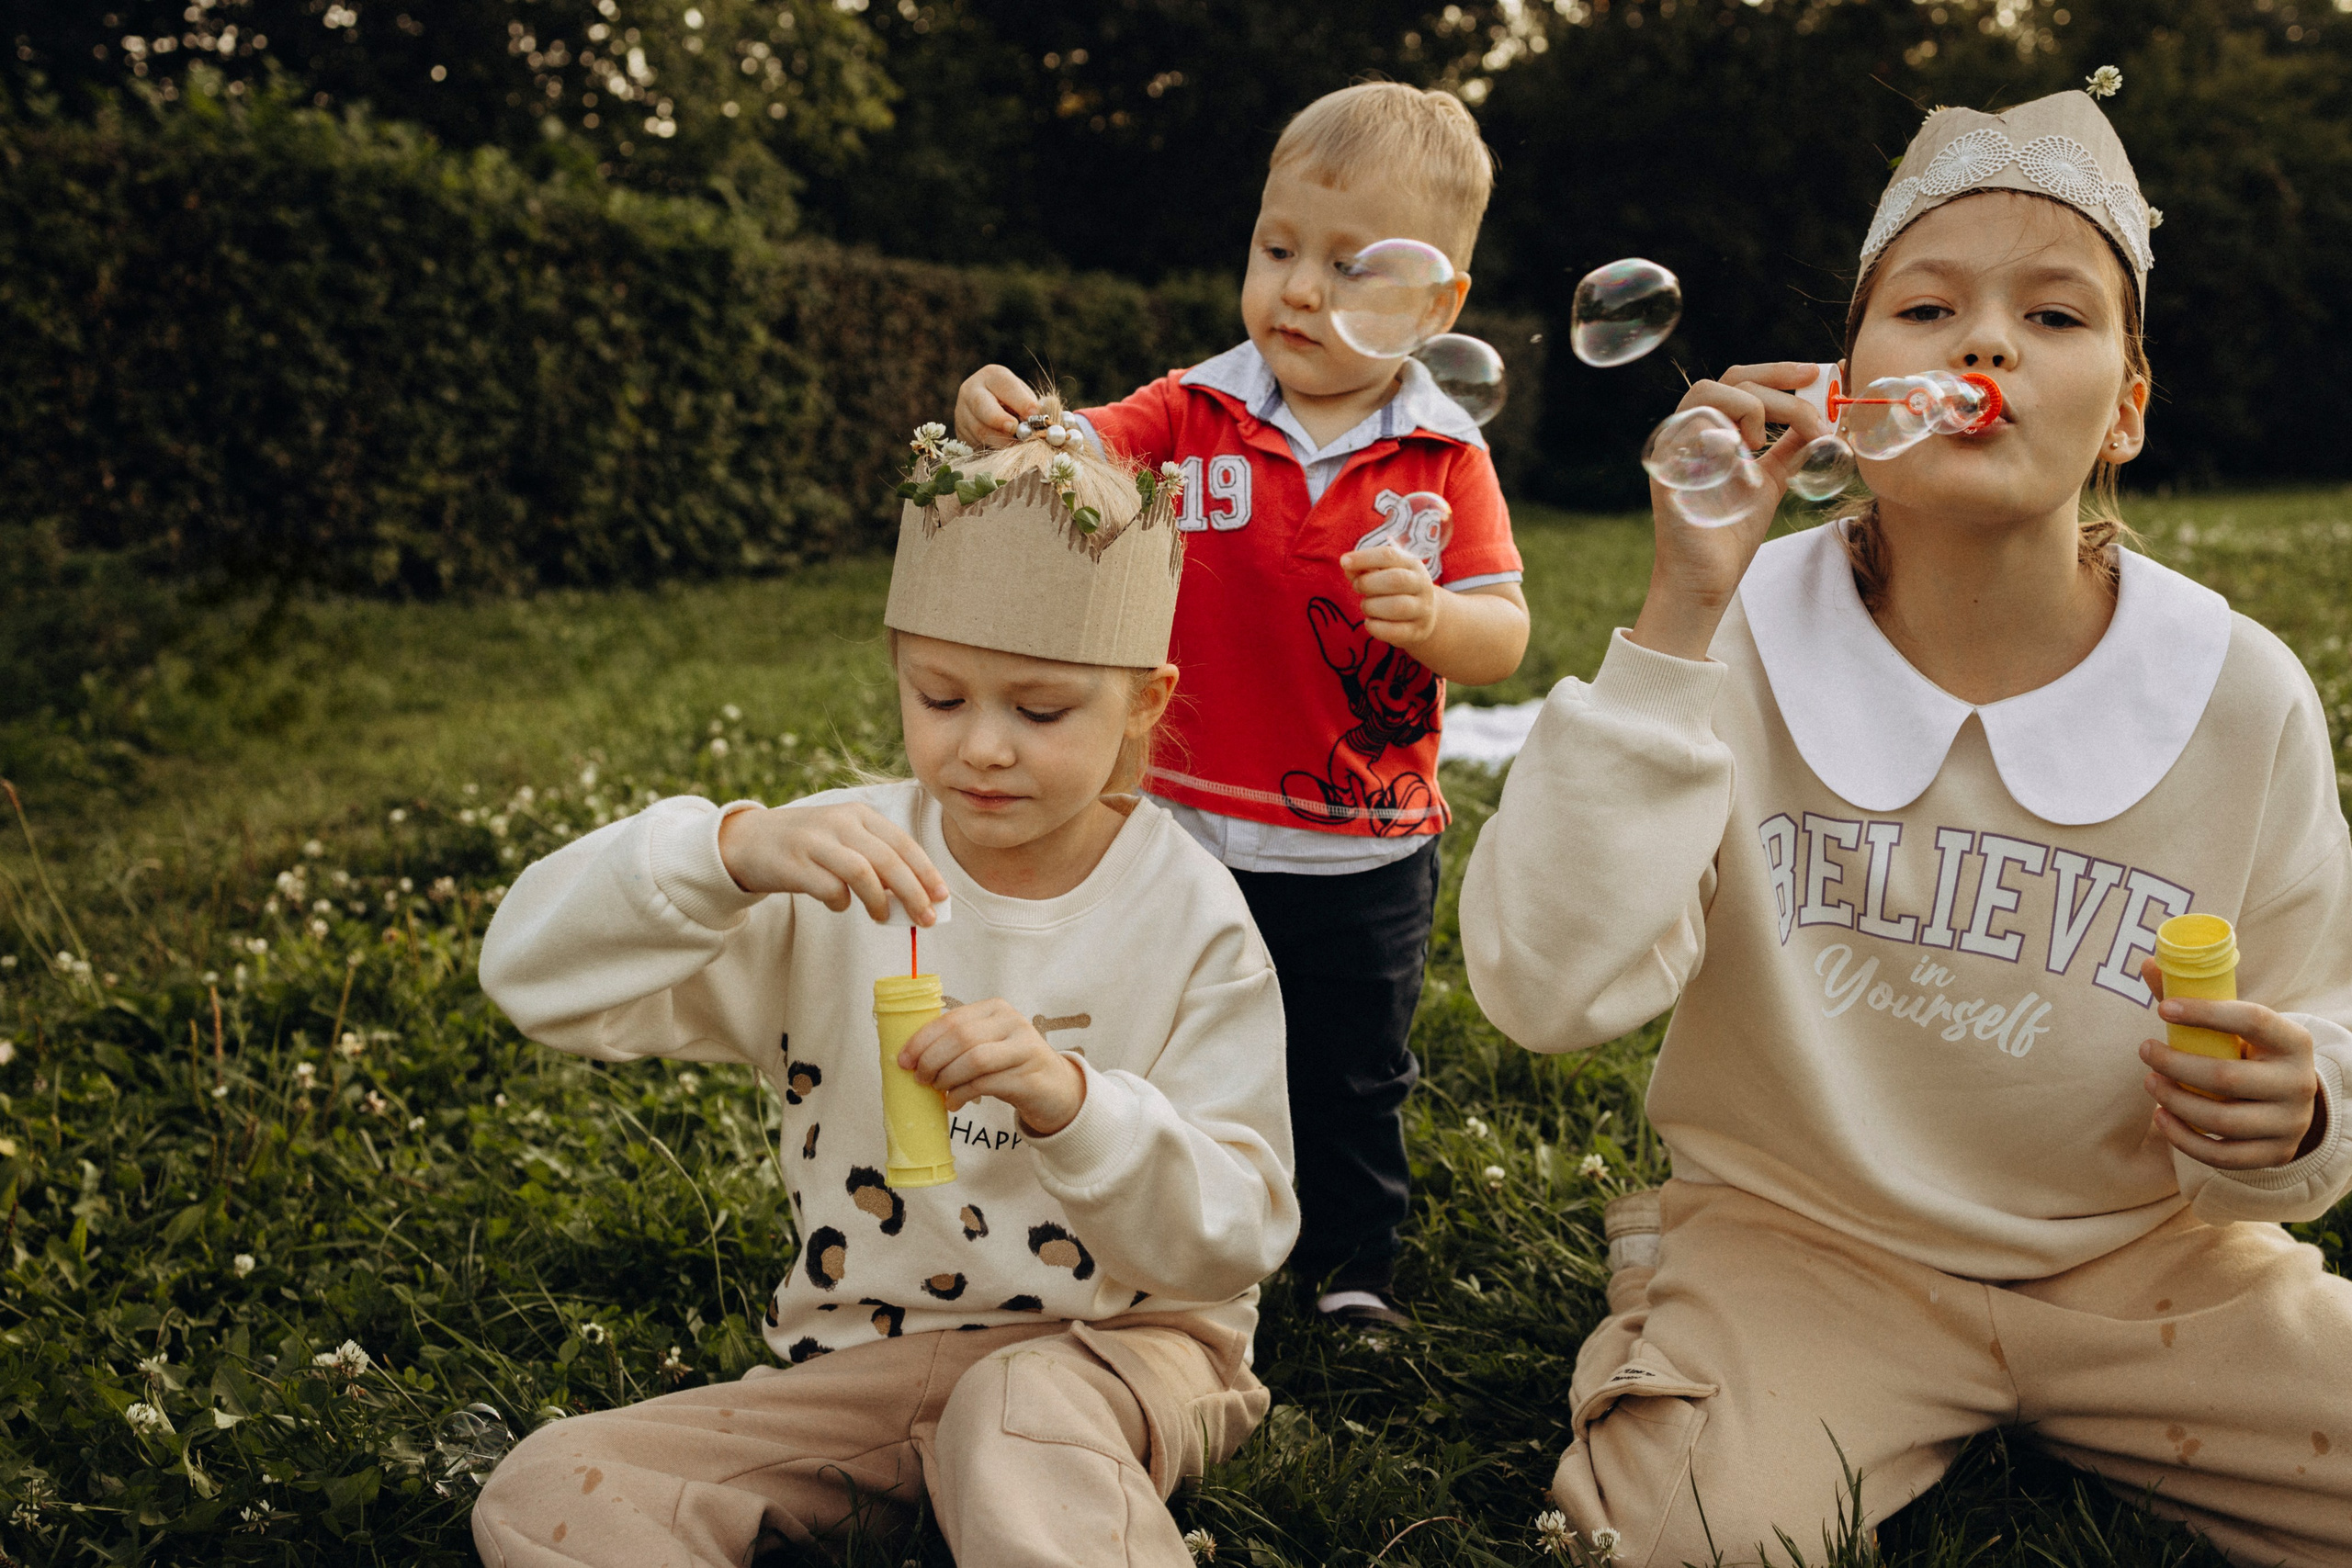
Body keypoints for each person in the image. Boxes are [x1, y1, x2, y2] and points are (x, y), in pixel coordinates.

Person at [1460, 84, 2352, 1566]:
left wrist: (2310, 1098)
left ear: (2128, 405)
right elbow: (1542, 981)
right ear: (1847, 382)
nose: (1984, 343)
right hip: (1805, 1242)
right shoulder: (1736, 640)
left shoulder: (2236, 694)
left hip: (2145, 1269)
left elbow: (2330, 993)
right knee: (1682, 1537)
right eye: (1929, 306)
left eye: (2055, 318)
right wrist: (1682, 605)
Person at [470, 411, 1298, 1568]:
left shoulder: (1188, 911)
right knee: (554, 1484)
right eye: (941, 699)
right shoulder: (838, 866)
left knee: (1009, 1426)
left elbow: (1240, 1229)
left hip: (1119, 1351)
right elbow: (531, 977)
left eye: (1040, 709)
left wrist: (1073, 1103)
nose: (983, 749)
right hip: (862, 1367)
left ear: (1145, 701)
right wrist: (721, 855)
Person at [956, 82, 1529, 1329]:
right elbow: (1069, 449)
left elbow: (1506, 630)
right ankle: (1165, 1234)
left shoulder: (1442, 455)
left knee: (1347, 1064)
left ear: (1437, 308)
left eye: (1352, 267)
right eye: (1280, 249)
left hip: (1361, 838)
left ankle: (1351, 1262)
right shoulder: (1193, 409)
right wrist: (1007, 417)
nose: (1301, 291)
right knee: (1163, 1038)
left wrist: (1434, 620)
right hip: (1182, 824)